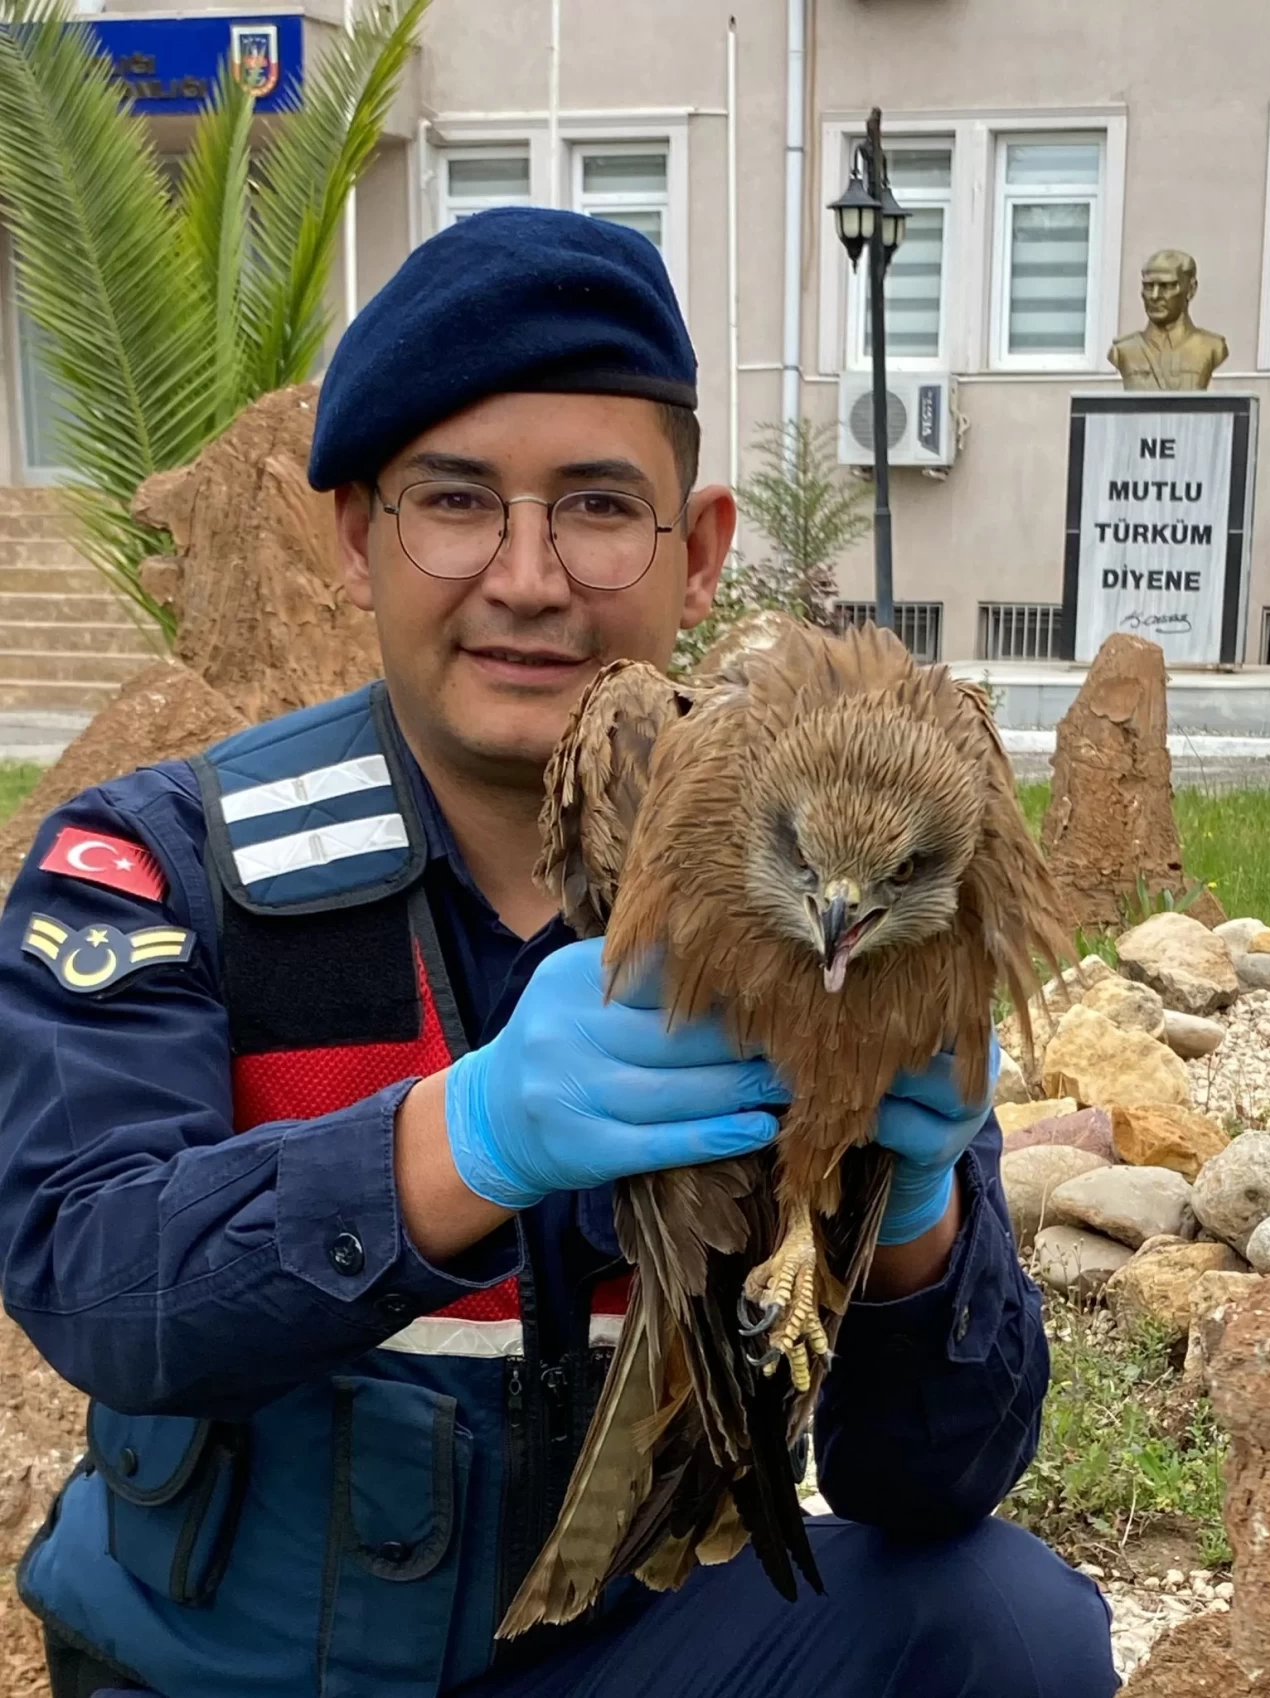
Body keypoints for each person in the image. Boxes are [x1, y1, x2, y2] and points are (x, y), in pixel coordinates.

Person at [0, 208, 1117, 1698]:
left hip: (620, 1640)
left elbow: (931, 1480)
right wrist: (456, 1144)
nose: (526, 577)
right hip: (222, 1667)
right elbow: (92, 1280)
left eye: (596, 507)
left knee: (1004, 1632)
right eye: (455, 501)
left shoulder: (841, 855)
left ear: (697, 552)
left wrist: (912, 1226)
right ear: (354, 537)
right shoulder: (160, 864)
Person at [1107, 248, 1228, 390]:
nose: (1154, 296)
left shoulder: (1212, 346)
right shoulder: (1123, 350)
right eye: (1148, 286)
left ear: (1191, 289)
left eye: (1167, 286)